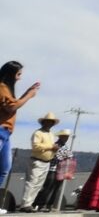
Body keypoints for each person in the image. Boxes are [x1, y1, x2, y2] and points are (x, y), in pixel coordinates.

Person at [0, 61, 41, 205]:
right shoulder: (1, 87)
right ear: (10, 74)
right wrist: (29, 95)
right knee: (3, 168)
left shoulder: (5, 89)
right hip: (1, 130)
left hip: (5, 133)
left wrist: (27, 92)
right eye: (18, 74)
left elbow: (13, 103)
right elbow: (11, 107)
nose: (19, 78)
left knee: (4, 168)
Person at [20, 112, 60, 211]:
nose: (50, 123)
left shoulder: (51, 134)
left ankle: (29, 204)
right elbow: (35, 146)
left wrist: (54, 150)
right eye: (48, 121)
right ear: (43, 122)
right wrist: (51, 147)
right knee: (32, 182)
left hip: (47, 162)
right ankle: (25, 204)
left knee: (38, 185)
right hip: (37, 161)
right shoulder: (38, 133)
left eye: (51, 122)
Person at [34, 129, 72, 212]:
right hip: (52, 169)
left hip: (61, 171)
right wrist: (64, 159)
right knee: (48, 187)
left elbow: (69, 157)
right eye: (64, 136)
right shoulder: (54, 145)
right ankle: (40, 204)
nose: (66, 138)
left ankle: (49, 205)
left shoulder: (66, 147)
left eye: (67, 137)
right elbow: (54, 157)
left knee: (56, 189)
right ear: (60, 136)